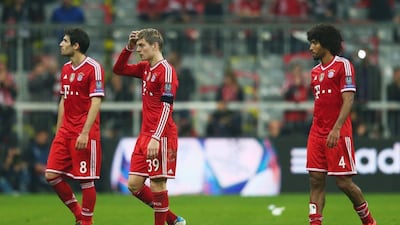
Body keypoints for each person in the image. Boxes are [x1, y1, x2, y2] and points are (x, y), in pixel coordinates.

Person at [113, 28, 186, 225]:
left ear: (155, 46)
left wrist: (156, 136)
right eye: (137, 46)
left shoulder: (167, 71)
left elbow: (166, 107)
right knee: (134, 185)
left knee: (157, 183)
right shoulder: (145, 68)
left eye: (142, 45)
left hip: (160, 135)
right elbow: (118, 69)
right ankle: (174, 220)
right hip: (145, 134)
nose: (139, 50)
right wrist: (128, 47)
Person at [306, 24, 377, 225]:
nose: (311, 47)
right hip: (317, 132)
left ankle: (369, 222)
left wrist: (336, 128)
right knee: (315, 180)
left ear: (326, 44)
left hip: (338, 131)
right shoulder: (314, 73)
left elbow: (348, 100)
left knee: (343, 183)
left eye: (315, 43)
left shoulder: (343, 65)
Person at [45, 28, 105, 225]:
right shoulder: (65, 69)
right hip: (65, 132)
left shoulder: (93, 68)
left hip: (84, 132)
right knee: (51, 175)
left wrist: (85, 133)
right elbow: (63, 100)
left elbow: (96, 102)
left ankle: (86, 221)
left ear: (76, 45)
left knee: (86, 181)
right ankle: (79, 214)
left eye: (64, 41)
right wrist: (58, 130)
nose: (60, 44)